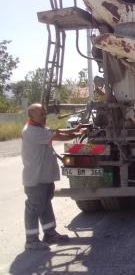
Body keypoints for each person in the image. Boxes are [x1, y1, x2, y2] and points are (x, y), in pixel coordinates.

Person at [21, 103, 88, 250]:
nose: (45, 117)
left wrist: (75, 129)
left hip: (44, 177)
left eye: (45, 113)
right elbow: (59, 136)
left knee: (45, 205)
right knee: (34, 208)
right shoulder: (32, 131)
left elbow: (55, 130)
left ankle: (50, 234)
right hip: (36, 178)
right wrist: (79, 134)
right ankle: (31, 241)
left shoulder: (39, 128)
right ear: (31, 116)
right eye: (41, 114)